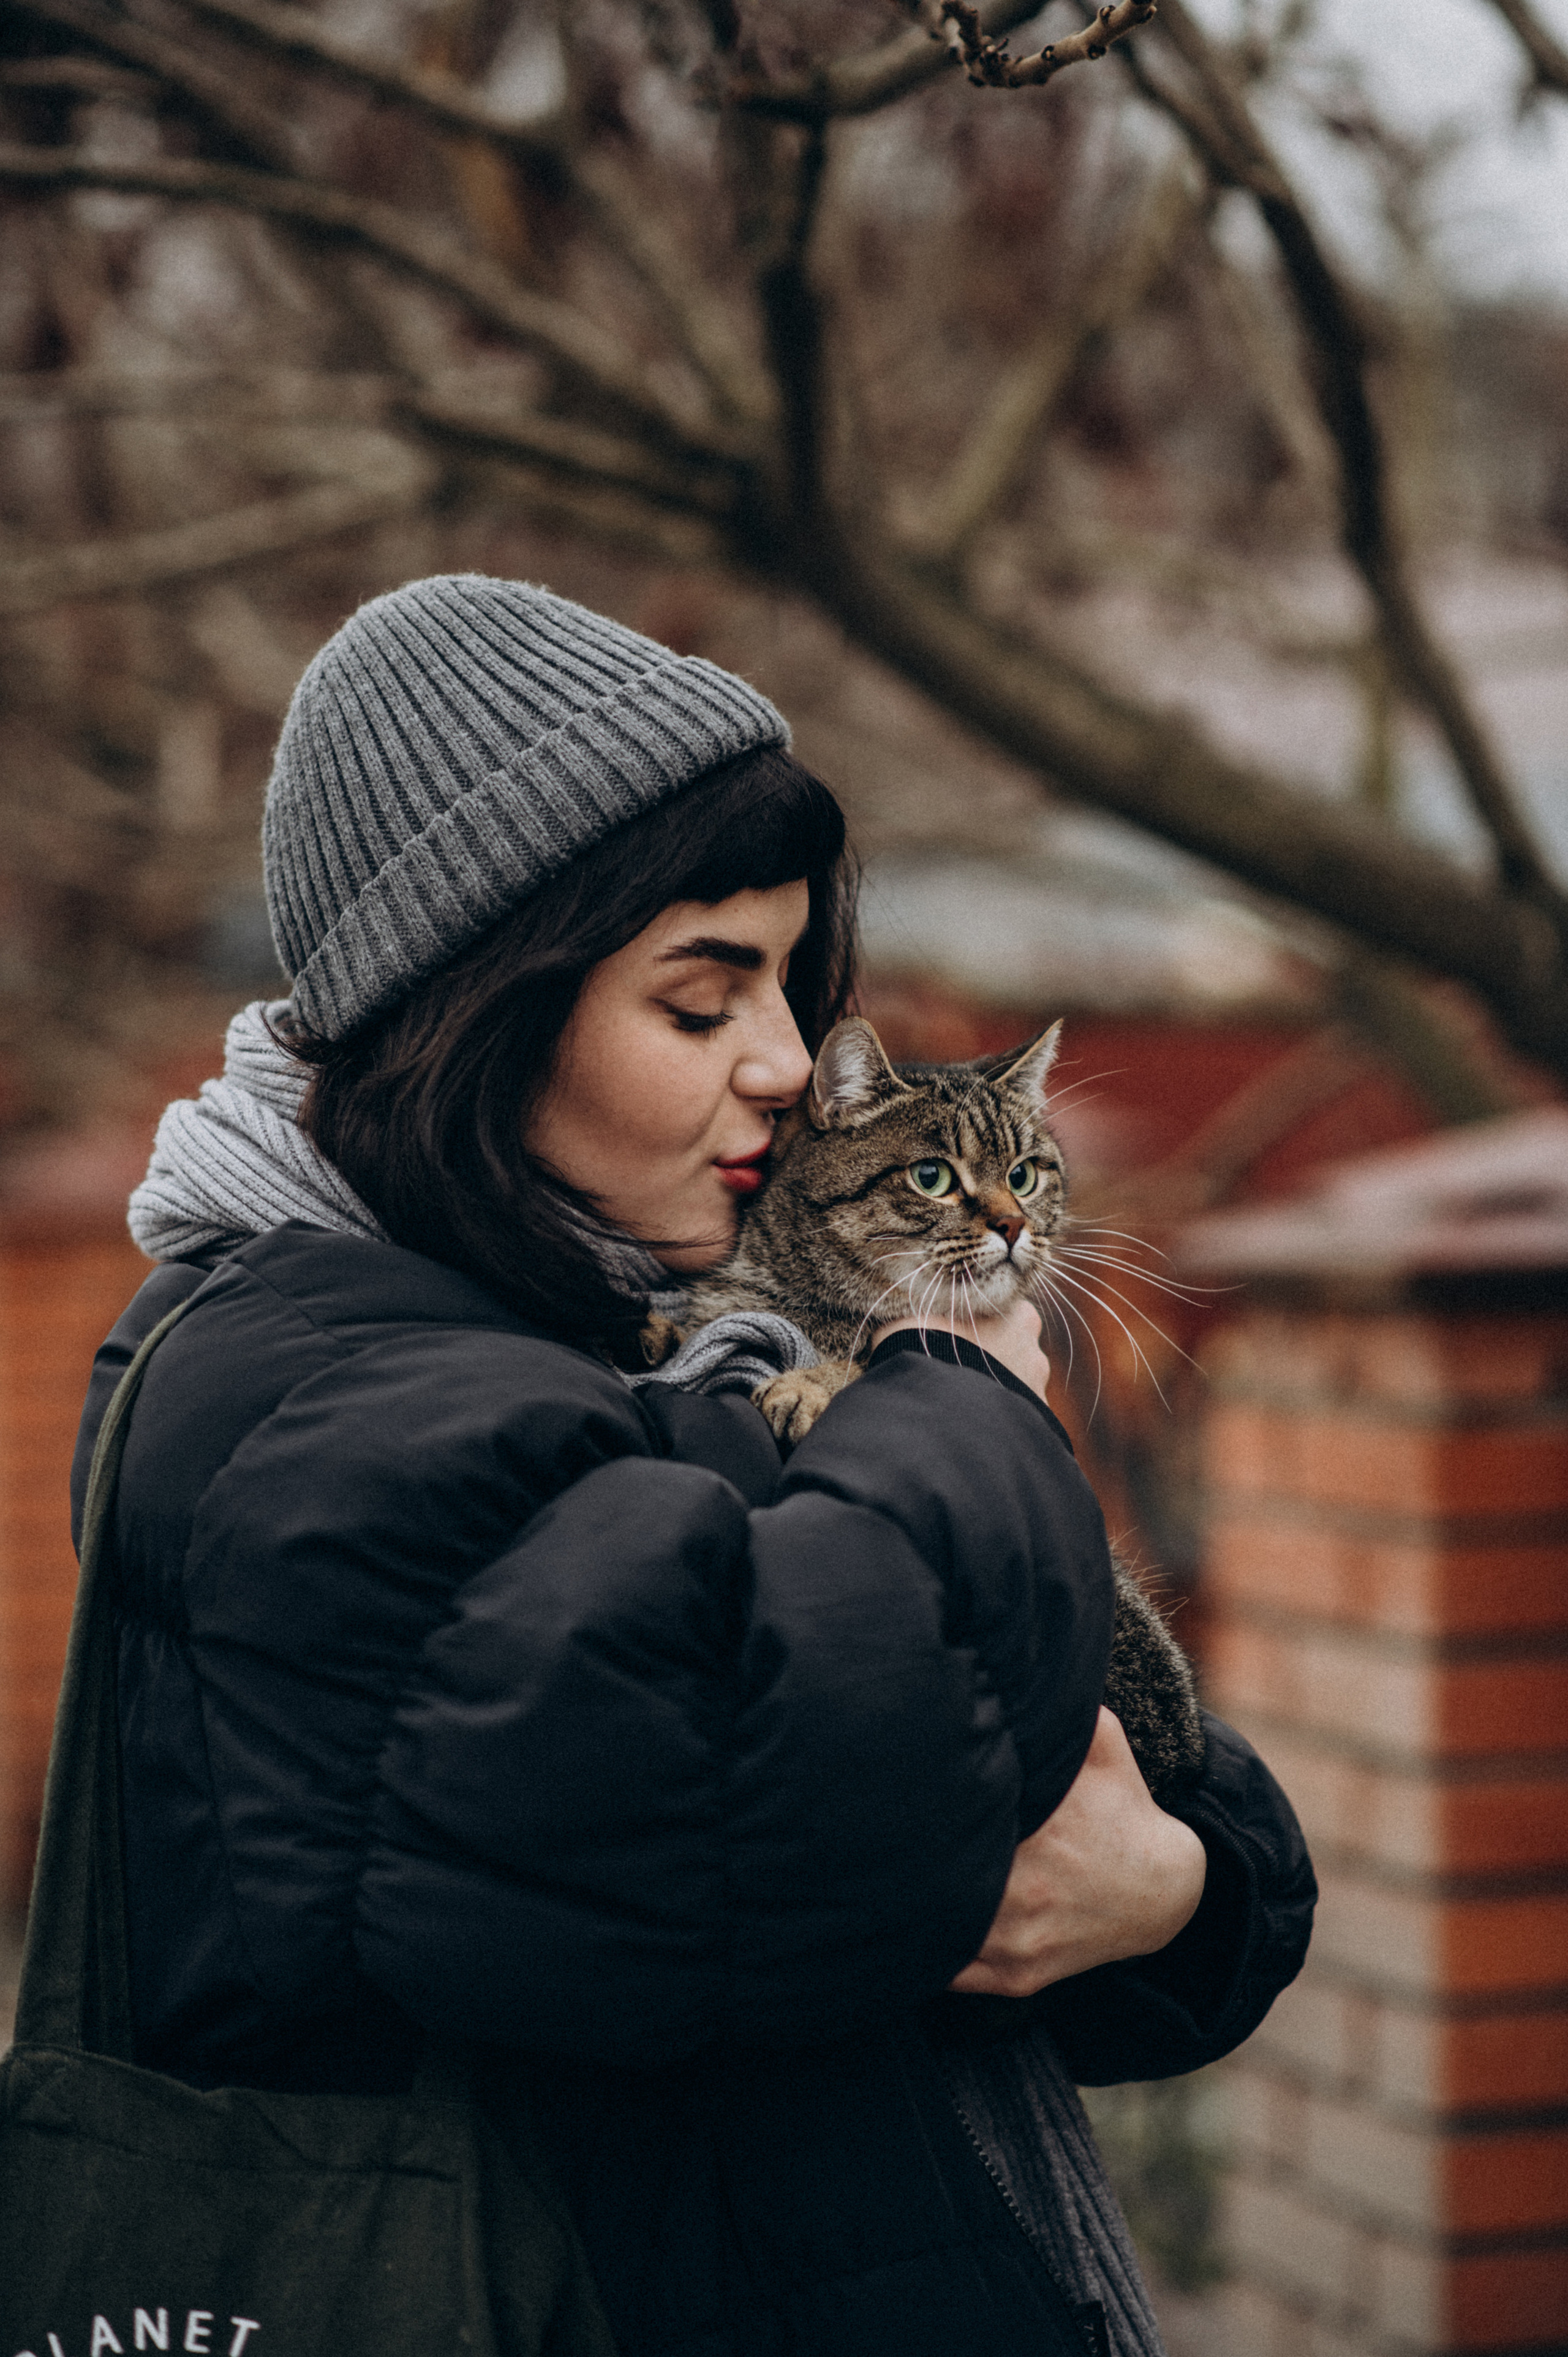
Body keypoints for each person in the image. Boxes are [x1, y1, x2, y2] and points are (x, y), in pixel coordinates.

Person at [77, 575, 1314, 2357]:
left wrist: (1179, 1893)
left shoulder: (636, 1324)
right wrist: (965, 1394)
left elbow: (1146, 1802)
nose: (793, 1063)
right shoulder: (303, 1392)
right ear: (473, 1006)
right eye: (702, 998)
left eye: (797, 986)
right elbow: (780, 1795)